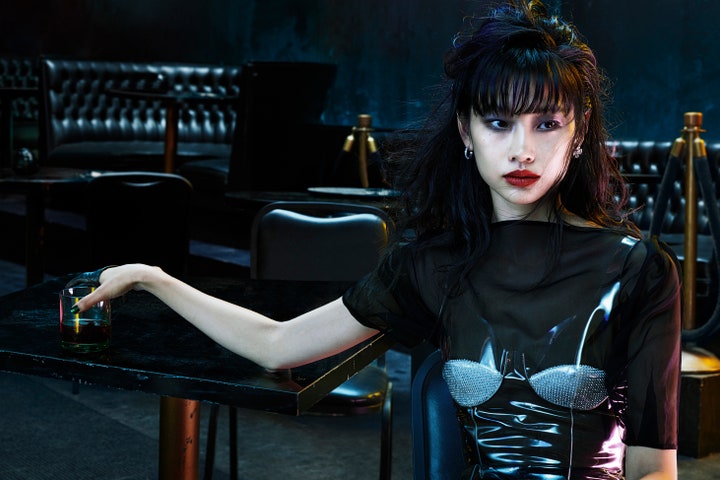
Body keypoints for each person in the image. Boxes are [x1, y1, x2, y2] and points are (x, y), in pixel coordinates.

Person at [70, 1, 681, 478]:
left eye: (547, 124)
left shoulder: (636, 269)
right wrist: (154, 277)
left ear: (577, 137)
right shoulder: (430, 265)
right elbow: (278, 344)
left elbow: (654, 468)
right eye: (499, 122)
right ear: (467, 132)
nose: (522, 148)